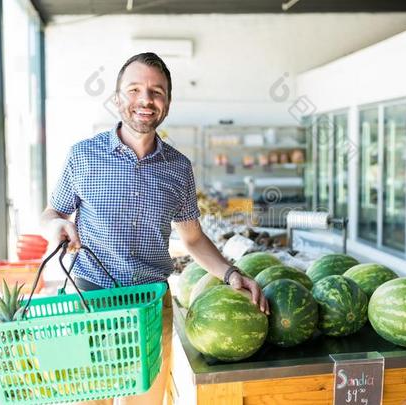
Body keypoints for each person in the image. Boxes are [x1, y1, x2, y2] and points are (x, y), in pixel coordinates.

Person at [40, 52, 269, 405]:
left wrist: (230, 275)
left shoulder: (178, 168)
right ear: (117, 98)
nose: (145, 100)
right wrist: (56, 224)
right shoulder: (82, 156)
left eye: (156, 92)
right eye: (134, 89)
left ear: (167, 103)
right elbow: (52, 211)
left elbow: (192, 238)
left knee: (147, 400)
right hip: (89, 297)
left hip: (150, 303)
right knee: (87, 399)